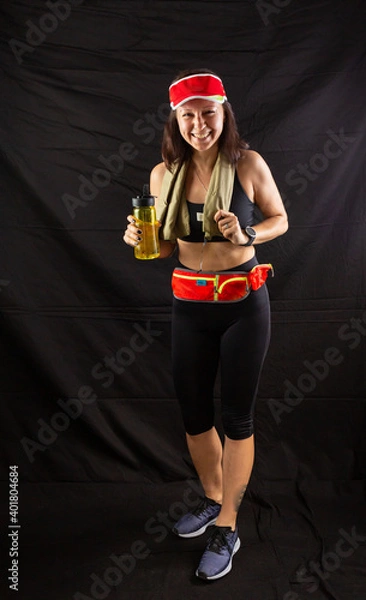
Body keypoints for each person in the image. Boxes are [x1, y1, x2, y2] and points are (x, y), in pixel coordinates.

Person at [123, 68, 288, 581]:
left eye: (208, 114)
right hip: (190, 306)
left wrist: (248, 234)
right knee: (195, 414)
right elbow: (168, 247)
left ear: (224, 114)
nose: (200, 125)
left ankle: (229, 525)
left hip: (242, 304)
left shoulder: (247, 165)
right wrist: (137, 238)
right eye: (189, 116)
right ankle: (215, 500)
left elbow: (280, 218)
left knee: (237, 417)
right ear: (176, 119)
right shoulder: (162, 175)